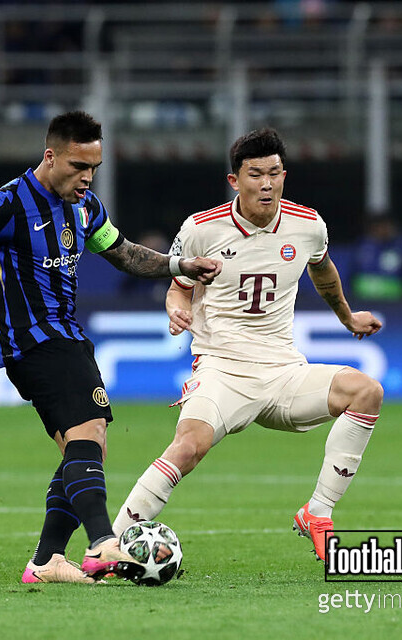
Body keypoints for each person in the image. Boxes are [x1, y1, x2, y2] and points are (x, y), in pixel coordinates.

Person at [0, 111, 222, 584]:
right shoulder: (5, 205)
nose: (86, 178)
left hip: (67, 337)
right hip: (34, 343)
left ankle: (46, 561)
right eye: (77, 167)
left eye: (94, 168)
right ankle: (104, 540)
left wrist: (180, 264)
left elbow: (124, 252)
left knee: (83, 448)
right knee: (89, 432)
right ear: (50, 156)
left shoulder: (85, 208)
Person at [111, 128, 384, 566]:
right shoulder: (201, 229)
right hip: (222, 368)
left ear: (284, 175)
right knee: (188, 447)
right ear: (235, 180)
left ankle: (318, 513)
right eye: (256, 174)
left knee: (366, 392)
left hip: (283, 371)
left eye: (274, 173)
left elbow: (324, 272)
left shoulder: (308, 225)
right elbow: (178, 287)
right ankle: (111, 543)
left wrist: (348, 317)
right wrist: (176, 309)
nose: (267, 184)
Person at [350, 214, 402, 301]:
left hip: (395, 299)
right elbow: (352, 274)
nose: (382, 229)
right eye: (378, 226)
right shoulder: (362, 245)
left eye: (386, 226)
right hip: (364, 298)